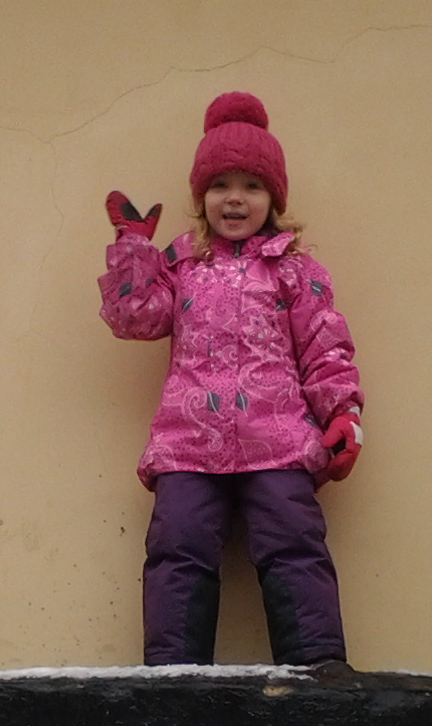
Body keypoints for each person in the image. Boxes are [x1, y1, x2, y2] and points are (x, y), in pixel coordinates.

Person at [99, 91, 364, 667]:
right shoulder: (181, 263)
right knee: (177, 548)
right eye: (220, 185)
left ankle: (318, 668)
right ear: (201, 197)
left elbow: (324, 345)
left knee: (294, 544)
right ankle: (173, 674)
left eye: (252, 185)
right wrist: (134, 250)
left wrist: (343, 412)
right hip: (189, 443)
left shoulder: (294, 268)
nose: (235, 198)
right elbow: (135, 319)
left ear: (274, 198)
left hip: (278, 440)